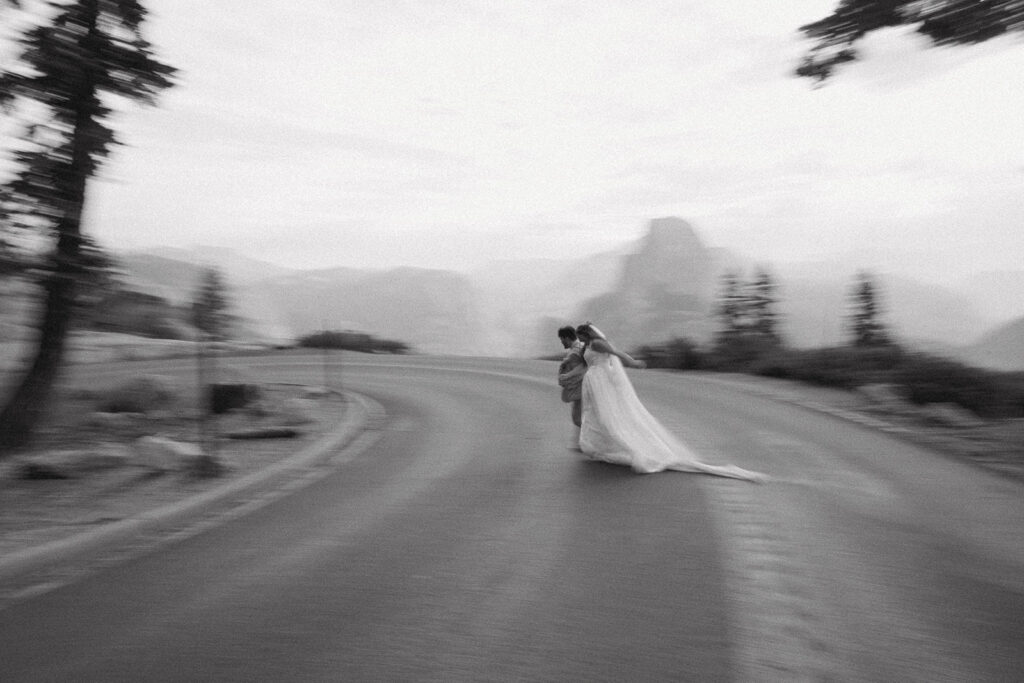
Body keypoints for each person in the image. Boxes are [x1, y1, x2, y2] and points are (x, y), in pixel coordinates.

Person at [574, 322, 766, 481]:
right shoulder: (587, 346)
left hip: (602, 382)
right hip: (593, 381)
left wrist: (633, 362)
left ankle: (614, 445)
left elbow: (618, 354)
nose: (579, 339)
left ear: (585, 333)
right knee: (593, 413)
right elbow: (586, 361)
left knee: (608, 415)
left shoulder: (598, 344)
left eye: (580, 336)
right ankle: (599, 445)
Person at [556, 325, 587, 447]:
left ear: (567, 338)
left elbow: (583, 367)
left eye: (562, 339)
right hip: (578, 387)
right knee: (579, 416)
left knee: (577, 418)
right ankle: (582, 442)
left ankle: (593, 439)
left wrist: (567, 376)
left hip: (580, 387)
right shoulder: (577, 348)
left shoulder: (576, 351)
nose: (561, 342)